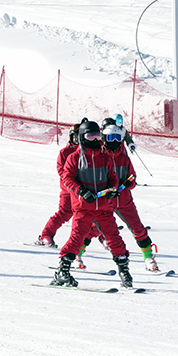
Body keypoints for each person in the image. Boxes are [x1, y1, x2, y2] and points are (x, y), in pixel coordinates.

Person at [53, 120, 130, 288]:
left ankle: (124, 271)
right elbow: (67, 178)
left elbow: (113, 178)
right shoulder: (74, 158)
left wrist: (113, 189)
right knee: (76, 239)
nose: (94, 140)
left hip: (104, 208)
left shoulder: (105, 157)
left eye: (97, 136)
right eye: (90, 136)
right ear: (82, 137)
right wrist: (81, 191)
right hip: (83, 208)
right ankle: (62, 272)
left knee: (115, 239)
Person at [101, 122, 159, 271]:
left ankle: (149, 258)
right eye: (111, 138)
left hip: (124, 200)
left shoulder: (124, 158)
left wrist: (126, 185)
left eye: (117, 138)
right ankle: (77, 255)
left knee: (138, 228)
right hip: (106, 200)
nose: (115, 141)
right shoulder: (100, 157)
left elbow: (132, 177)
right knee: (93, 228)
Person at [35, 122, 83, 247]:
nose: (77, 141)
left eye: (80, 137)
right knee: (64, 212)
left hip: (83, 189)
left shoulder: (87, 152)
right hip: (68, 189)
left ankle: (104, 238)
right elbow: (61, 171)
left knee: (91, 214)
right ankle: (46, 235)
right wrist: (72, 181)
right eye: (75, 138)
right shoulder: (65, 152)